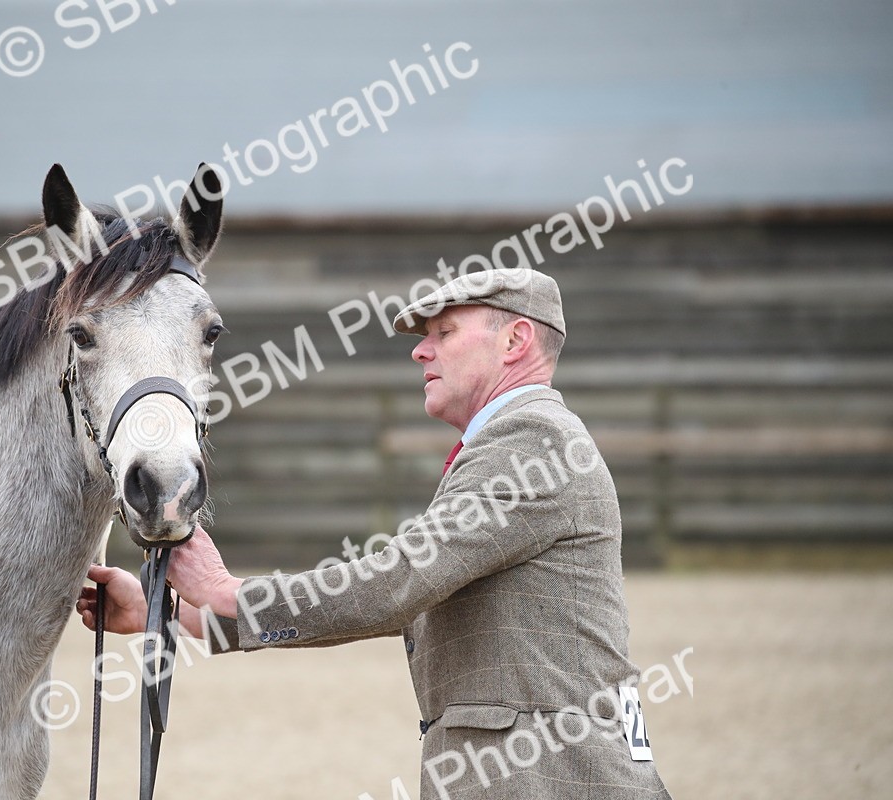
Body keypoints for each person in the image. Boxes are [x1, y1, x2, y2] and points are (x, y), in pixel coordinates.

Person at [78, 268, 671, 799]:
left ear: (515, 341)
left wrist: (227, 592)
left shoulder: (531, 440)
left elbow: (395, 584)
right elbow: (406, 598)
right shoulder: (518, 441)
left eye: (444, 333)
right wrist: (168, 614)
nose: (421, 351)